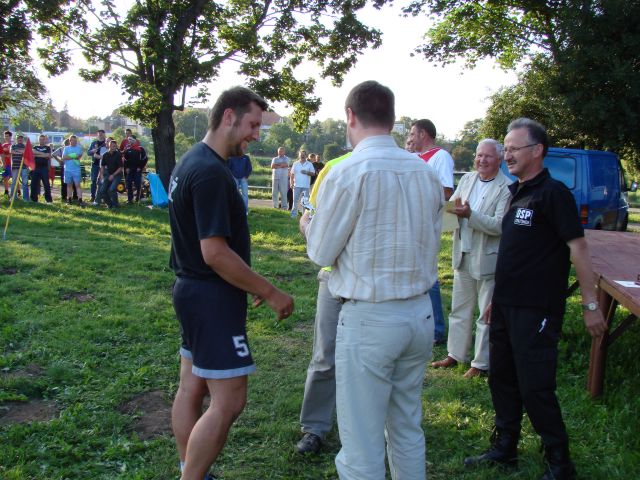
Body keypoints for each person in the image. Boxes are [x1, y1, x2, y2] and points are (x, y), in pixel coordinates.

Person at [303, 80, 443, 479]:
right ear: (393, 119)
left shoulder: (347, 172)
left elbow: (321, 252)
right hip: (418, 314)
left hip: (370, 318)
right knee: (406, 428)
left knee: (361, 444)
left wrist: (308, 225)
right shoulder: (425, 173)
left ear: (350, 116)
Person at [464, 118, 607, 480]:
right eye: (506, 149)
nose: (507, 155)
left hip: (536, 309)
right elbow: (515, 252)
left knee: (535, 386)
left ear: (537, 150)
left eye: (514, 149)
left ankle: (560, 463)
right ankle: (505, 448)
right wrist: (497, 297)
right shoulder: (516, 192)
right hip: (505, 305)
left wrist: (590, 304)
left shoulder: (553, 194)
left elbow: (578, 249)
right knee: (502, 378)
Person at [168, 86, 294, 480]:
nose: (256, 134)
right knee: (230, 400)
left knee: (192, 386)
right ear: (228, 117)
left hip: (191, 290)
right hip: (212, 297)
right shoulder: (210, 173)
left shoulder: (192, 159)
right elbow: (215, 253)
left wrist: (248, 282)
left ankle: (191, 469)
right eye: (253, 125)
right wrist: (268, 290)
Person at [431, 139, 511, 377]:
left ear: (499, 159)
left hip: (488, 259)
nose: (481, 160)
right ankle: (456, 354)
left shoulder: (507, 188)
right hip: (462, 253)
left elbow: (500, 225)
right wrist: (444, 212)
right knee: (459, 309)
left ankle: (481, 363)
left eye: (487, 156)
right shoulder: (467, 179)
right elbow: (453, 206)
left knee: (486, 314)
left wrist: (470, 215)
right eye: (479, 155)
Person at [295, 151, 351, 455]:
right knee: (325, 355)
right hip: (333, 276)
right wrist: (308, 226)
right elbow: (309, 217)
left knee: (369, 361)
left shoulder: (398, 165)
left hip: (373, 283)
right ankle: (314, 428)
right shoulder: (333, 167)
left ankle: (371, 427)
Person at [408, 119, 455, 345]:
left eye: (412, 133)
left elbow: (446, 191)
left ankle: (436, 329)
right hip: (409, 224)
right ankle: (417, 324)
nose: (410, 138)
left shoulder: (440, 157)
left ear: (423, 134)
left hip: (425, 225)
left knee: (428, 277)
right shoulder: (415, 158)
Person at [94, 139, 123, 208]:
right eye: (113, 146)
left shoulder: (118, 154)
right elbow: (102, 166)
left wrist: (113, 175)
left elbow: (120, 168)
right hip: (108, 174)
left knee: (112, 189)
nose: (114, 147)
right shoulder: (105, 155)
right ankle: (109, 204)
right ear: (109, 146)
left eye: (115, 146)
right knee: (102, 190)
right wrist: (101, 176)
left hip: (117, 175)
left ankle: (115, 205)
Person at [289, 148, 315, 218]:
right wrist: (291, 183)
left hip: (306, 186)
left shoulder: (309, 164)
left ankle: (304, 216)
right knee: (295, 201)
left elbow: (313, 173)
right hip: (296, 185)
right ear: (299, 155)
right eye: (301, 155)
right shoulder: (295, 163)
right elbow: (291, 175)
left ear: (306, 156)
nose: (302, 156)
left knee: (305, 202)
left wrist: (307, 172)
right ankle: (293, 215)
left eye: (303, 155)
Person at [62, 135, 85, 205]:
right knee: (69, 185)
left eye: (75, 140)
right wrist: (73, 156)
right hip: (67, 169)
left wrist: (69, 156)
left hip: (76, 169)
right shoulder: (66, 148)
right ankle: (69, 199)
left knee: (77, 185)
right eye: (73, 140)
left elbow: (78, 156)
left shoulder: (79, 148)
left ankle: (80, 200)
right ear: (70, 141)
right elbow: (64, 157)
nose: (74, 142)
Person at [123, 136, 146, 203]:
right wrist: (126, 168)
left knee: (138, 184)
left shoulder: (140, 149)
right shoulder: (128, 149)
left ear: (135, 140)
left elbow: (145, 159)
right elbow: (125, 160)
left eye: (131, 139)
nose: (129, 141)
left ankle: (139, 198)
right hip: (130, 170)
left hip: (137, 170)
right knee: (128, 184)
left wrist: (140, 167)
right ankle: (130, 199)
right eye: (128, 139)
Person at [31, 134, 53, 203]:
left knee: (46, 184)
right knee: (34, 184)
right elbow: (32, 153)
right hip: (35, 168)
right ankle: (34, 200)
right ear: (38, 140)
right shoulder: (35, 147)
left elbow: (48, 155)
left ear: (45, 140)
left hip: (44, 168)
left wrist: (37, 154)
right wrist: (43, 154)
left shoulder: (47, 148)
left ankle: (48, 200)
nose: (41, 140)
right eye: (40, 139)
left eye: (43, 139)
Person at [87, 129, 107, 202]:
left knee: (103, 181)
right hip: (95, 164)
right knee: (93, 180)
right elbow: (88, 153)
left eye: (102, 134)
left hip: (104, 165)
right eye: (99, 134)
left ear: (104, 134)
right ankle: (93, 196)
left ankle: (102, 197)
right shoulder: (94, 143)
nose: (100, 135)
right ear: (97, 135)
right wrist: (92, 151)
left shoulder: (107, 142)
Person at [9, 134, 28, 201]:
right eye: (18, 138)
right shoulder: (13, 146)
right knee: (14, 182)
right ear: (16, 139)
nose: (19, 139)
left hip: (24, 167)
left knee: (25, 183)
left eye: (21, 138)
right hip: (15, 167)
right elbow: (11, 151)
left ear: (22, 139)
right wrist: (22, 152)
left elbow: (26, 152)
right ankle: (13, 197)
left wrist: (17, 151)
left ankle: (25, 198)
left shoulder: (25, 146)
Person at [2, 131, 12, 196]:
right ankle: (6, 191)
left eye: (7, 136)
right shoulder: (3, 145)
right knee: (5, 178)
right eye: (5, 136)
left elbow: (11, 155)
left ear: (10, 137)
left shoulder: (12, 145)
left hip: (11, 165)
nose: (6, 137)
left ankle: (18, 191)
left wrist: (3, 155)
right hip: (4, 164)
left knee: (13, 179)